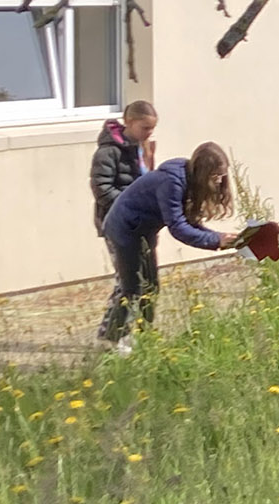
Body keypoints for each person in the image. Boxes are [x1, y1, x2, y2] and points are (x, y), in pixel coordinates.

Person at [97, 141, 240, 348]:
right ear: (202, 172)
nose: (219, 182)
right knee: (131, 288)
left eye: (221, 176)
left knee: (151, 287)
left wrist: (220, 238)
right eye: (215, 176)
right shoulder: (172, 182)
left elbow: (190, 223)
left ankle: (144, 337)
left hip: (143, 232)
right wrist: (216, 240)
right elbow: (178, 228)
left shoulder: (188, 181)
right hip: (123, 229)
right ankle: (110, 341)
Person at [90, 100, 158, 236]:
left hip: (142, 221)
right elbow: (102, 188)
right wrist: (129, 206)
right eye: (145, 128)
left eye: (152, 128)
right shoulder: (109, 151)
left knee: (146, 257)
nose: (149, 132)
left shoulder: (145, 149)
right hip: (118, 220)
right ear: (129, 122)